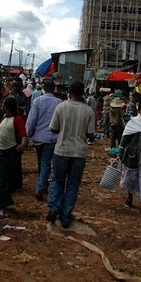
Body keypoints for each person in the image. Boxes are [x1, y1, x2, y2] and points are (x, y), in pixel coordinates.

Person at [47, 81, 95, 229]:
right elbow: (90, 134)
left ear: (69, 92)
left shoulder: (61, 107)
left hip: (61, 150)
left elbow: (53, 129)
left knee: (57, 180)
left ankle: (54, 207)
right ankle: (66, 216)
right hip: (79, 152)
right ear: (83, 94)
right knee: (73, 185)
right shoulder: (88, 111)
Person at [25, 79, 62, 201]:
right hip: (51, 137)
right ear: (54, 89)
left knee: (42, 162)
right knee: (46, 162)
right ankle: (41, 186)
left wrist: (28, 135)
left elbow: (31, 120)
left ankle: (42, 184)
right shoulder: (59, 103)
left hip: (38, 137)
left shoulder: (37, 101)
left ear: (44, 89)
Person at [0, 96, 27, 219]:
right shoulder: (2, 120)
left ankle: (5, 201)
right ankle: (2, 207)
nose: (1, 106)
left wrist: (23, 144)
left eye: (3, 104)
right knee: (0, 180)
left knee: (8, 179)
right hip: (0, 152)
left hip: (12, 152)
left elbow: (23, 134)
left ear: (6, 106)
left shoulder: (17, 120)